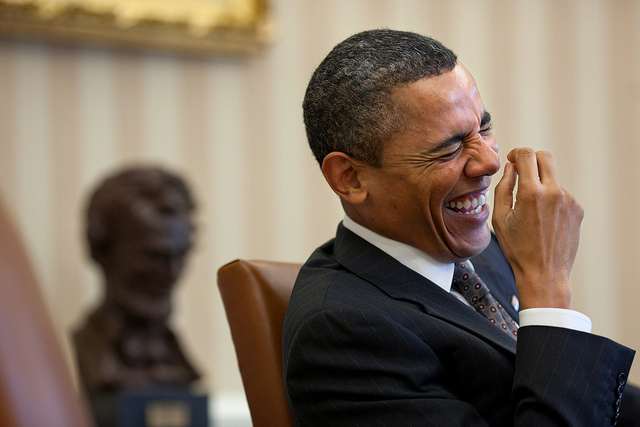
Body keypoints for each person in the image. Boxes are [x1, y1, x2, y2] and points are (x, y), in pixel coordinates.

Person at [282, 29, 638, 426]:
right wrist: (548, 288)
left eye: (483, 129)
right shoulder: (340, 332)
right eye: (450, 146)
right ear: (350, 178)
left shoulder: (483, 257)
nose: (487, 162)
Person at [73, 166, 200, 393]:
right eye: (154, 257)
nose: (172, 274)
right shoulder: (83, 350)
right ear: (103, 251)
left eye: (180, 256)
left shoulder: (176, 358)